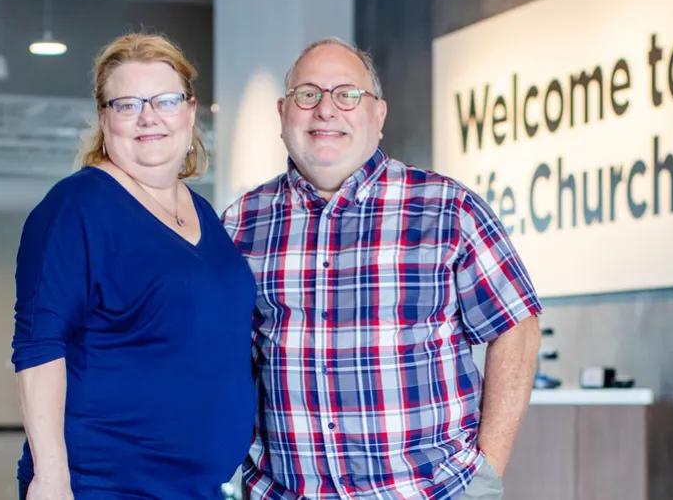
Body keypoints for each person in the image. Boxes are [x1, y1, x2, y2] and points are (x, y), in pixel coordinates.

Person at [222, 37, 542, 500]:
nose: (325, 110)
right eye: (307, 94)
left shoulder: (448, 209)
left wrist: (486, 473)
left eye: (347, 95)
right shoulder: (241, 223)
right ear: (283, 112)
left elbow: (517, 327)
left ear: (379, 114)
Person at [10, 33, 256, 500]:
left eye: (166, 100)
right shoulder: (77, 206)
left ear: (190, 111)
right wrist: (51, 476)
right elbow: (39, 345)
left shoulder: (202, 212)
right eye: (127, 104)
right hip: (103, 483)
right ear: (104, 118)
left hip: (198, 487)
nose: (149, 117)